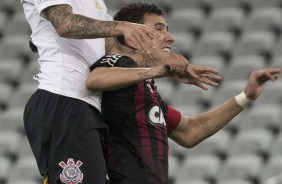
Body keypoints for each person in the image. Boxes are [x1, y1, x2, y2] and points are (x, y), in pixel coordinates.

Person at [86, 3, 281, 184]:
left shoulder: (143, 90)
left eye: (168, 30)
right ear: (131, 36)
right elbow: (95, 79)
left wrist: (245, 97)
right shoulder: (120, 62)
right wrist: (158, 70)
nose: (170, 38)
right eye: (158, 28)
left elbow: (191, 131)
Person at [20, 0, 192, 184]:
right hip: (62, 98)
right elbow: (64, 24)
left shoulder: (96, 3)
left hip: (85, 106)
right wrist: (123, 26)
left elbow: (113, 49)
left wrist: (172, 67)